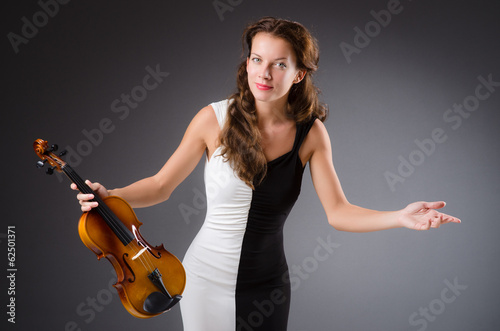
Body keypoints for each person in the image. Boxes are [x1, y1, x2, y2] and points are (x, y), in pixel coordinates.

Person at [72, 17, 460, 331]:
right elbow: (160, 186)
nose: (265, 73)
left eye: (279, 64)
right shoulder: (213, 119)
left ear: (298, 75)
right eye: (257, 59)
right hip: (204, 280)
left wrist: (400, 217)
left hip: (269, 287)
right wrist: (111, 195)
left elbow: (339, 212)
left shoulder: (312, 133)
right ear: (247, 63)